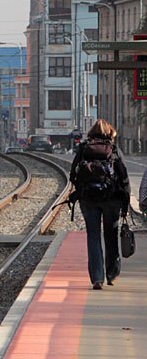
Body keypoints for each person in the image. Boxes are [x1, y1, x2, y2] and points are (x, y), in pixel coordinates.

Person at [70, 118, 130, 290]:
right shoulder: (114, 150)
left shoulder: (83, 149)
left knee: (93, 236)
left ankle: (97, 278)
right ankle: (112, 274)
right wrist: (125, 203)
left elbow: (73, 175)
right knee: (111, 235)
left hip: (89, 199)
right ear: (110, 133)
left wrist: (82, 190)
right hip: (112, 199)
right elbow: (124, 177)